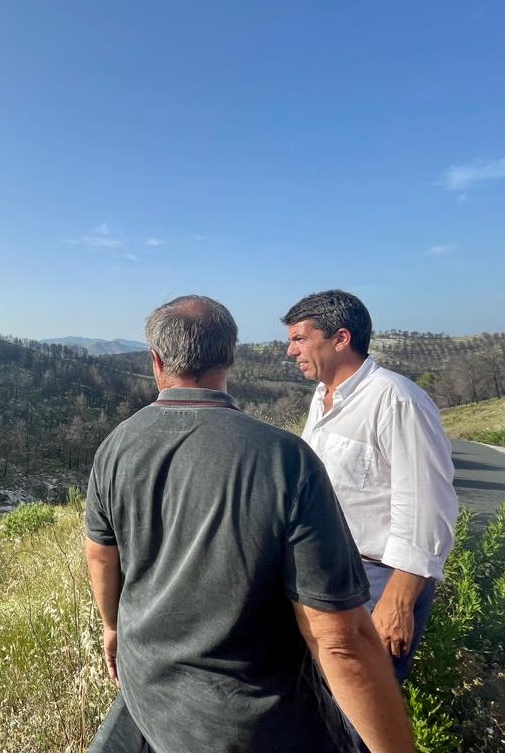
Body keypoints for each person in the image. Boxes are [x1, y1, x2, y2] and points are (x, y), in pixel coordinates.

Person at [85, 295, 415, 753]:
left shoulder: (115, 446)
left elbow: (101, 554)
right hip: (250, 721)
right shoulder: (285, 459)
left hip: (150, 697)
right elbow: (339, 640)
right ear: (230, 357)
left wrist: (112, 627)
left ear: (157, 361)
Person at [282, 289, 458, 687]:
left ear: (340, 339)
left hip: (376, 580)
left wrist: (399, 598)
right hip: (328, 571)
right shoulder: (321, 398)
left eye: (299, 338)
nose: (290, 351)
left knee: (363, 703)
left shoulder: (395, 399)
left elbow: (428, 504)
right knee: (326, 698)